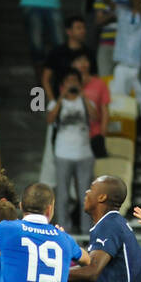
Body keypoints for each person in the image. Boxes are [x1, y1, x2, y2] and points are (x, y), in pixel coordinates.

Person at [48, 69, 97, 233]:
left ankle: (86, 231)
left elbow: (95, 117)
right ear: (62, 84)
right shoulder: (56, 102)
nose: (72, 83)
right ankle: (64, 230)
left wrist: (82, 95)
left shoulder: (85, 101)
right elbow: (49, 119)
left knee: (86, 195)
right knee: (62, 195)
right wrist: (61, 97)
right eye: (68, 81)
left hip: (85, 154)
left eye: (75, 80)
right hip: (63, 153)